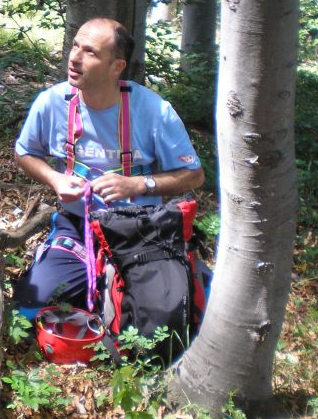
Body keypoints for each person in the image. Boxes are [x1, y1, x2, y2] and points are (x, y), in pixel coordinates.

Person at [12, 17, 204, 319]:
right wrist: (54, 178)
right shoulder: (52, 103)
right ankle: (87, 277)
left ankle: (113, 288)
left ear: (116, 67)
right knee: (29, 309)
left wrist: (139, 185)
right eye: (75, 46)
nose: (75, 57)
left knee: (161, 320)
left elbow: (194, 175)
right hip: (77, 226)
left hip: (140, 229)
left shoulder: (154, 111)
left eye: (90, 52)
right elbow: (24, 152)